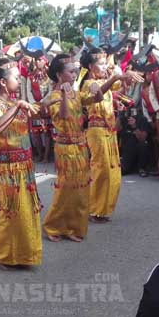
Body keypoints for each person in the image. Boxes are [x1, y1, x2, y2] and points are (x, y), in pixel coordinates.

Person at [0, 58, 42, 267]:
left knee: (26, 210)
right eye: (16, 77)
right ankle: (5, 255)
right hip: (6, 167)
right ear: (2, 82)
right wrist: (17, 107)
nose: (19, 80)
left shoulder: (17, 102)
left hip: (24, 164)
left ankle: (25, 254)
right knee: (10, 212)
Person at [80, 48, 142, 223]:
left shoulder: (104, 80)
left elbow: (120, 84)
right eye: (101, 64)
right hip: (97, 132)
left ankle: (103, 209)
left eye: (105, 64)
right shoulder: (88, 83)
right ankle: (93, 209)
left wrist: (127, 75)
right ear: (91, 66)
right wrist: (115, 77)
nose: (105, 67)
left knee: (113, 170)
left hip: (110, 131)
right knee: (101, 171)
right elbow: (98, 95)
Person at [42, 54, 91, 241]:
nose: (74, 74)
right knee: (65, 189)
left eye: (75, 71)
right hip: (65, 148)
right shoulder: (53, 96)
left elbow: (97, 97)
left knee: (80, 189)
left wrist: (111, 80)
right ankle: (53, 227)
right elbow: (62, 116)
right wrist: (62, 94)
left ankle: (73, 227)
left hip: (81, 145)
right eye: (70, 71)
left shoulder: (76, 94)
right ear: (59, 75)